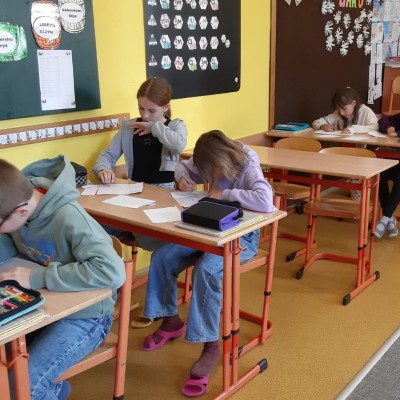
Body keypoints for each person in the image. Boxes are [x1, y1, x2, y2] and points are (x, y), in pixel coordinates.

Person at [140, 130, 276, 397]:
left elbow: (266, 201)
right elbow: (182, 166)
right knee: (163, 257)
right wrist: (183, 179)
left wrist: (224, 194)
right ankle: (170, 321)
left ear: (222, 160)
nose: (206, 174)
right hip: (207, 224)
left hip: (242, 235)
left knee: (207, 269)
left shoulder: (246, 162)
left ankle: (210, 345)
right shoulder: (206, 158)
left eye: (210, 170)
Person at [0, 156, 125, 400]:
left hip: (87, 317)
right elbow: (8, 241)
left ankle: (49, 391)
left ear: (21, 211)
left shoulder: (69, 218)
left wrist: (38, 277)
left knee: (24, 388)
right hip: (45, 305)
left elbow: (113, 271)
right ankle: (55, 390)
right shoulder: (15, 206)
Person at [92, 76, 187, 251]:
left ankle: (137, 236)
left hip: (163, 194)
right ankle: (127, 237)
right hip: (135, 192)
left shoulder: (175, 126)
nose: (145, 115)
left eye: (152, 111)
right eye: (141, 108)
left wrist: (154, 127)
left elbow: (179, 144)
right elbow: (108, 154)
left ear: (166, 107)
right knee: (95, 226)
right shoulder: (129, 127)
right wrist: (103, 168)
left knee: (155, 237)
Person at [374, 113, 400, 238]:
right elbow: (384, 120)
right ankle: (389, 218)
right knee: (380, 174)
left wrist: (398, 134)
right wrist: (390, 128)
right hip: (396, 160)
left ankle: (385, 219)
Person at [311, 86, 378, 134]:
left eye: (344, 108)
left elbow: (375, 127)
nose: (341, 113)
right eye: (338, 109)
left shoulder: (366, 111)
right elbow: (316, 122)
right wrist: (323, 126)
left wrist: (352, 129)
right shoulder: (337, 113)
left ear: (353, 103)